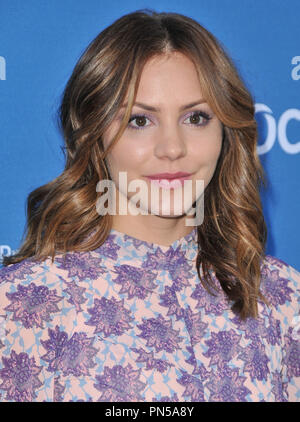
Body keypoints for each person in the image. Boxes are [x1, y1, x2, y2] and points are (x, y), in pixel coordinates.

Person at [0, 9, 299, 403]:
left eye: (196, 117)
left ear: (226, 131)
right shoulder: (23, 302)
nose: (173, 148)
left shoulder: (280, 297)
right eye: (140, 121)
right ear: (92, 132)